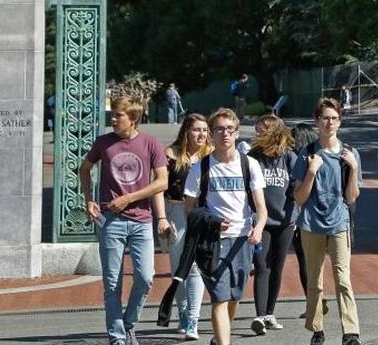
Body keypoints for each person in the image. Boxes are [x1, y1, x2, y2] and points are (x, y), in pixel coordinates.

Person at [78, 96, 169, 345]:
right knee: (112, 283)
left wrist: (129, 198)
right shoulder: (103, 142)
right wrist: (89, 199)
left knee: (145, 277)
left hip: (141, 221)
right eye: (113, 115)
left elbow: (162, 182)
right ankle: (117, 337)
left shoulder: (151, 143)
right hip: (110, 221)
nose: (113, 119)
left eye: (118, 115)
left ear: (134, 118)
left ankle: (129, 323)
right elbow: (84, 168)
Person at [183, 108, 267, 345]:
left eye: (229, 129)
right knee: (219, 298)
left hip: (242, 240)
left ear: (237, 133)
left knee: (233, 297)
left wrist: (258, 228)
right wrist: (210, 224)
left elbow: (261, 208)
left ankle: (220, 339)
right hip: (212, 243)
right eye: (219, 129)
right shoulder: (201, 167)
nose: (225, 134)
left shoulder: (249, 165)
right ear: (211, 134)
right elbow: (189, 209)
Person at [292, 98, 363, 345]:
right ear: (317, 122)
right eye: (325, 118)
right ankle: (317, 329)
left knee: (343, 280)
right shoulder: (307, 153)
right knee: (315, 281)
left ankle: (350, 333)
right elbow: (299, 198)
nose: (329, 123)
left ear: (339, 122)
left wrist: (353, 169)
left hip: (339, 223)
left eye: (334, 118)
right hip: (311, 224)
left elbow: (352, 197)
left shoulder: (349, 153)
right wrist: (311, 172)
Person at [159, 113, 212, 340]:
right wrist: (161, 217)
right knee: (179, 268)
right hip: (176, 211)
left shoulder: (211, 155)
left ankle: (193, 319)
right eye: (196, 129)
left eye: (204, 130)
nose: (201, 134)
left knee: (195, 267)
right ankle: (182, 313)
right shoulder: (170, 154)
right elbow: (159, 188)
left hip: (202, 213)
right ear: (186, 132)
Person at [247, 114, 302, 335]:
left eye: (263, 130)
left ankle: (269, 313)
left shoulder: (288, 157)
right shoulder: (252, 157)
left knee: (277, 267)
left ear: (275, 132)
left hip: (285, 222)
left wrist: (298, 215)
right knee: (262, 266)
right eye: (257, 130)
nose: (259, 133)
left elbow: (296, 188)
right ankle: (259, 316)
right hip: (262, 222)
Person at [291, 122, 327, 320]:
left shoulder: (299, 159)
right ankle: (317, 300)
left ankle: (313, 303)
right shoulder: (318, 156)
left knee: (305, 262)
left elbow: (296, 192)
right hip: (320, 216)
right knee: (315, 262)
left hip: (302, 216)